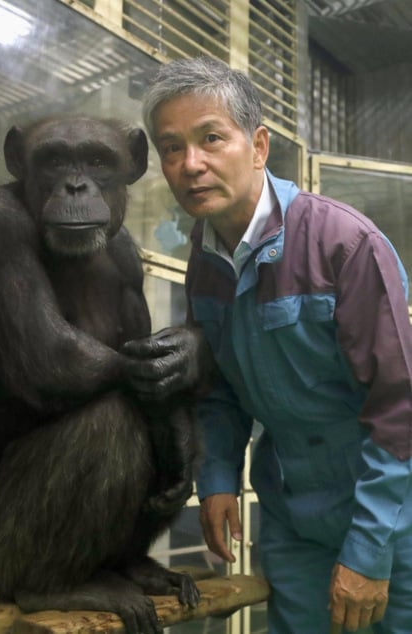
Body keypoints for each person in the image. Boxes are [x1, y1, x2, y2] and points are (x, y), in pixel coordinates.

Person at [124, 55, 412, 633]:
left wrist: (370, 549)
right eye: (172, 148)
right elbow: (221, 386)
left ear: (258, 146)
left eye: (210, 138)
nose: (191, 164)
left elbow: (399, 407)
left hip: (393, 515)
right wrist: (220, 478)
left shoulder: (346, 246)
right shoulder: (205, 262)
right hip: (292, 514)